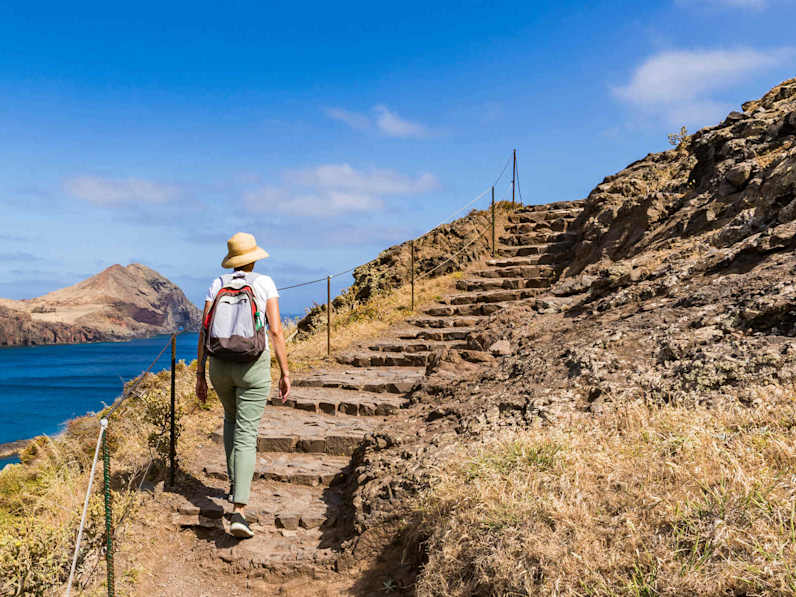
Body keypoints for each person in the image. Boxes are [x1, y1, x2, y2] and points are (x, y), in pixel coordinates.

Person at [195, 232, 291, 538]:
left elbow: (204, 329)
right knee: (246, 435)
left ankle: (234, 484)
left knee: (230, 421)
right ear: (253, 258)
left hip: (219, 366)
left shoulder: (217, 284)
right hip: (252, 366)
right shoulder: (264, 283)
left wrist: (199, 373)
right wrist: (285, 372)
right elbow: (275, 331)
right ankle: (239, 511)